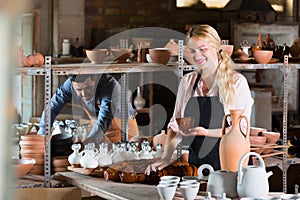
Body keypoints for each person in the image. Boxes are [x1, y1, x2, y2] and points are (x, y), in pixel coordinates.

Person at [146, 24, 253, 174]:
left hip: (231, 164)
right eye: (193, 51)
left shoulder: (236, 82)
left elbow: (240, 131)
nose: (197, 56)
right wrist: (166, 158)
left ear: (216, 48)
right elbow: (175, 125)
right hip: (197, 167)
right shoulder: (188, 82)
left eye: (203, 49)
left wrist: (205, 132)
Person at [38, 74, 139, 145]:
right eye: (79, 90)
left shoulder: (109, 85)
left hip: (123, 130)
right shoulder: (69, 84)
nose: (83, 93)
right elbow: (52, 106)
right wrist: (43, 132)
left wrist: (90, 141)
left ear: (95, 79)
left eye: (88, 88)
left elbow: (105, 117)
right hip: (99, 130)